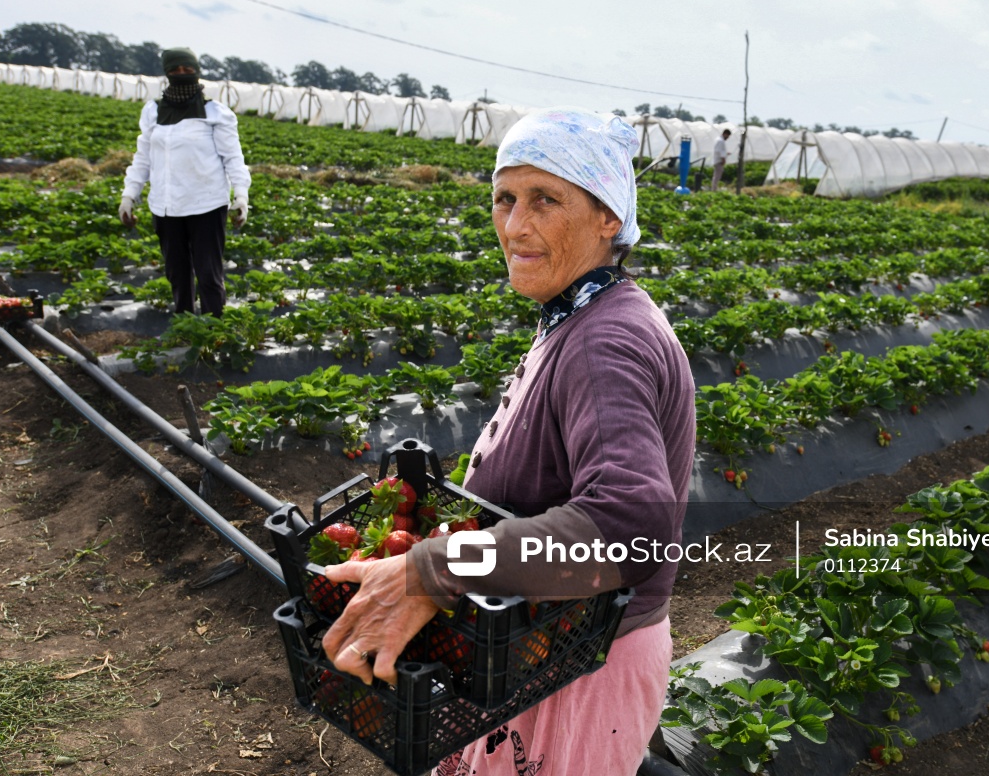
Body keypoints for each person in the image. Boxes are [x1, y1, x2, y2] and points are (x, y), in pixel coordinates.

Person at [323, 107, 696, 775]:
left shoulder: (605, 341)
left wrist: (433, 569)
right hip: (543, 651)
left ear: (608, 217)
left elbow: (630, 524)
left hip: (584, 669)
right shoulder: (582, 314)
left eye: (545, 199)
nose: (515, 225)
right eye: (505, 198)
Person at [118, 47, 251, 317]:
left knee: (208, 275)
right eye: (175, 70)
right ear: (166, 73)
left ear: (197, 72)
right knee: (177, 274)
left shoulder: (215, 112)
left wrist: (241, 195)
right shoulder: (153, 111)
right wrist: (129, 195)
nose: (181, 74)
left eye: (187, 69)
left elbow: (233, 158)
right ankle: (184, 326)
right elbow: (143, 158)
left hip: (206, 206)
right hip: (166, 207)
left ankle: (214, 329)